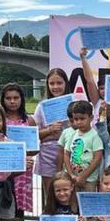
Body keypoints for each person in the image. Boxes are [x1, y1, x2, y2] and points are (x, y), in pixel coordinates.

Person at [35, 67, 72, 207]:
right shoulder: (41, 107)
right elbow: (35, 134)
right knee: (50, 196)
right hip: (47, 155)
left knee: (69, 196)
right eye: (52, 84)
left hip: (71, 154)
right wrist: (49, 130)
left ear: (65, 83)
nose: (56, 87)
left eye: (59, 83)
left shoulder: (73, 103)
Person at [0, 83, 36, 218]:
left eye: (16, 97)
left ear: (22, 99)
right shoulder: (0, 120)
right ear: (3, 100)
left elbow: (34, 150)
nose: (12, 101)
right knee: (4, 205)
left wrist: (26, 151)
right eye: (8, 98)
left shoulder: (29, 120)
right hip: (4, 168)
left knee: (19, 207)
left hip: (23, 169)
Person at [60, 100, 103, 192]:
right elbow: (66, 154)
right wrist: (71, 175)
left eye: (82, 119)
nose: (79, 122)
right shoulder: (72, 135)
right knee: (73, 203)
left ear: (91, 118)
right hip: (72, 179)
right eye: (76, 119)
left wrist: (83, 177)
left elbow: (97, 158)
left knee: (87, 204)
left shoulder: (95, 136)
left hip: (89, 180)